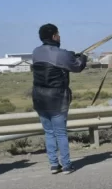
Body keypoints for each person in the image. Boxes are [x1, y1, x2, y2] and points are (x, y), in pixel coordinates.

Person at [31, 23, 88, 174]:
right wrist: (83, 57)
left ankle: (54, 165)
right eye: (58, 34)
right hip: (57, 99)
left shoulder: (36, 52)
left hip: (39, 98)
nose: (60, 36)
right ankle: (67, 165)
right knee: (61, 133)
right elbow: (77, 66)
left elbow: (57, 56)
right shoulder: (61, 54)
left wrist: (70, 54)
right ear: (54, 36)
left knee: (49, 132)